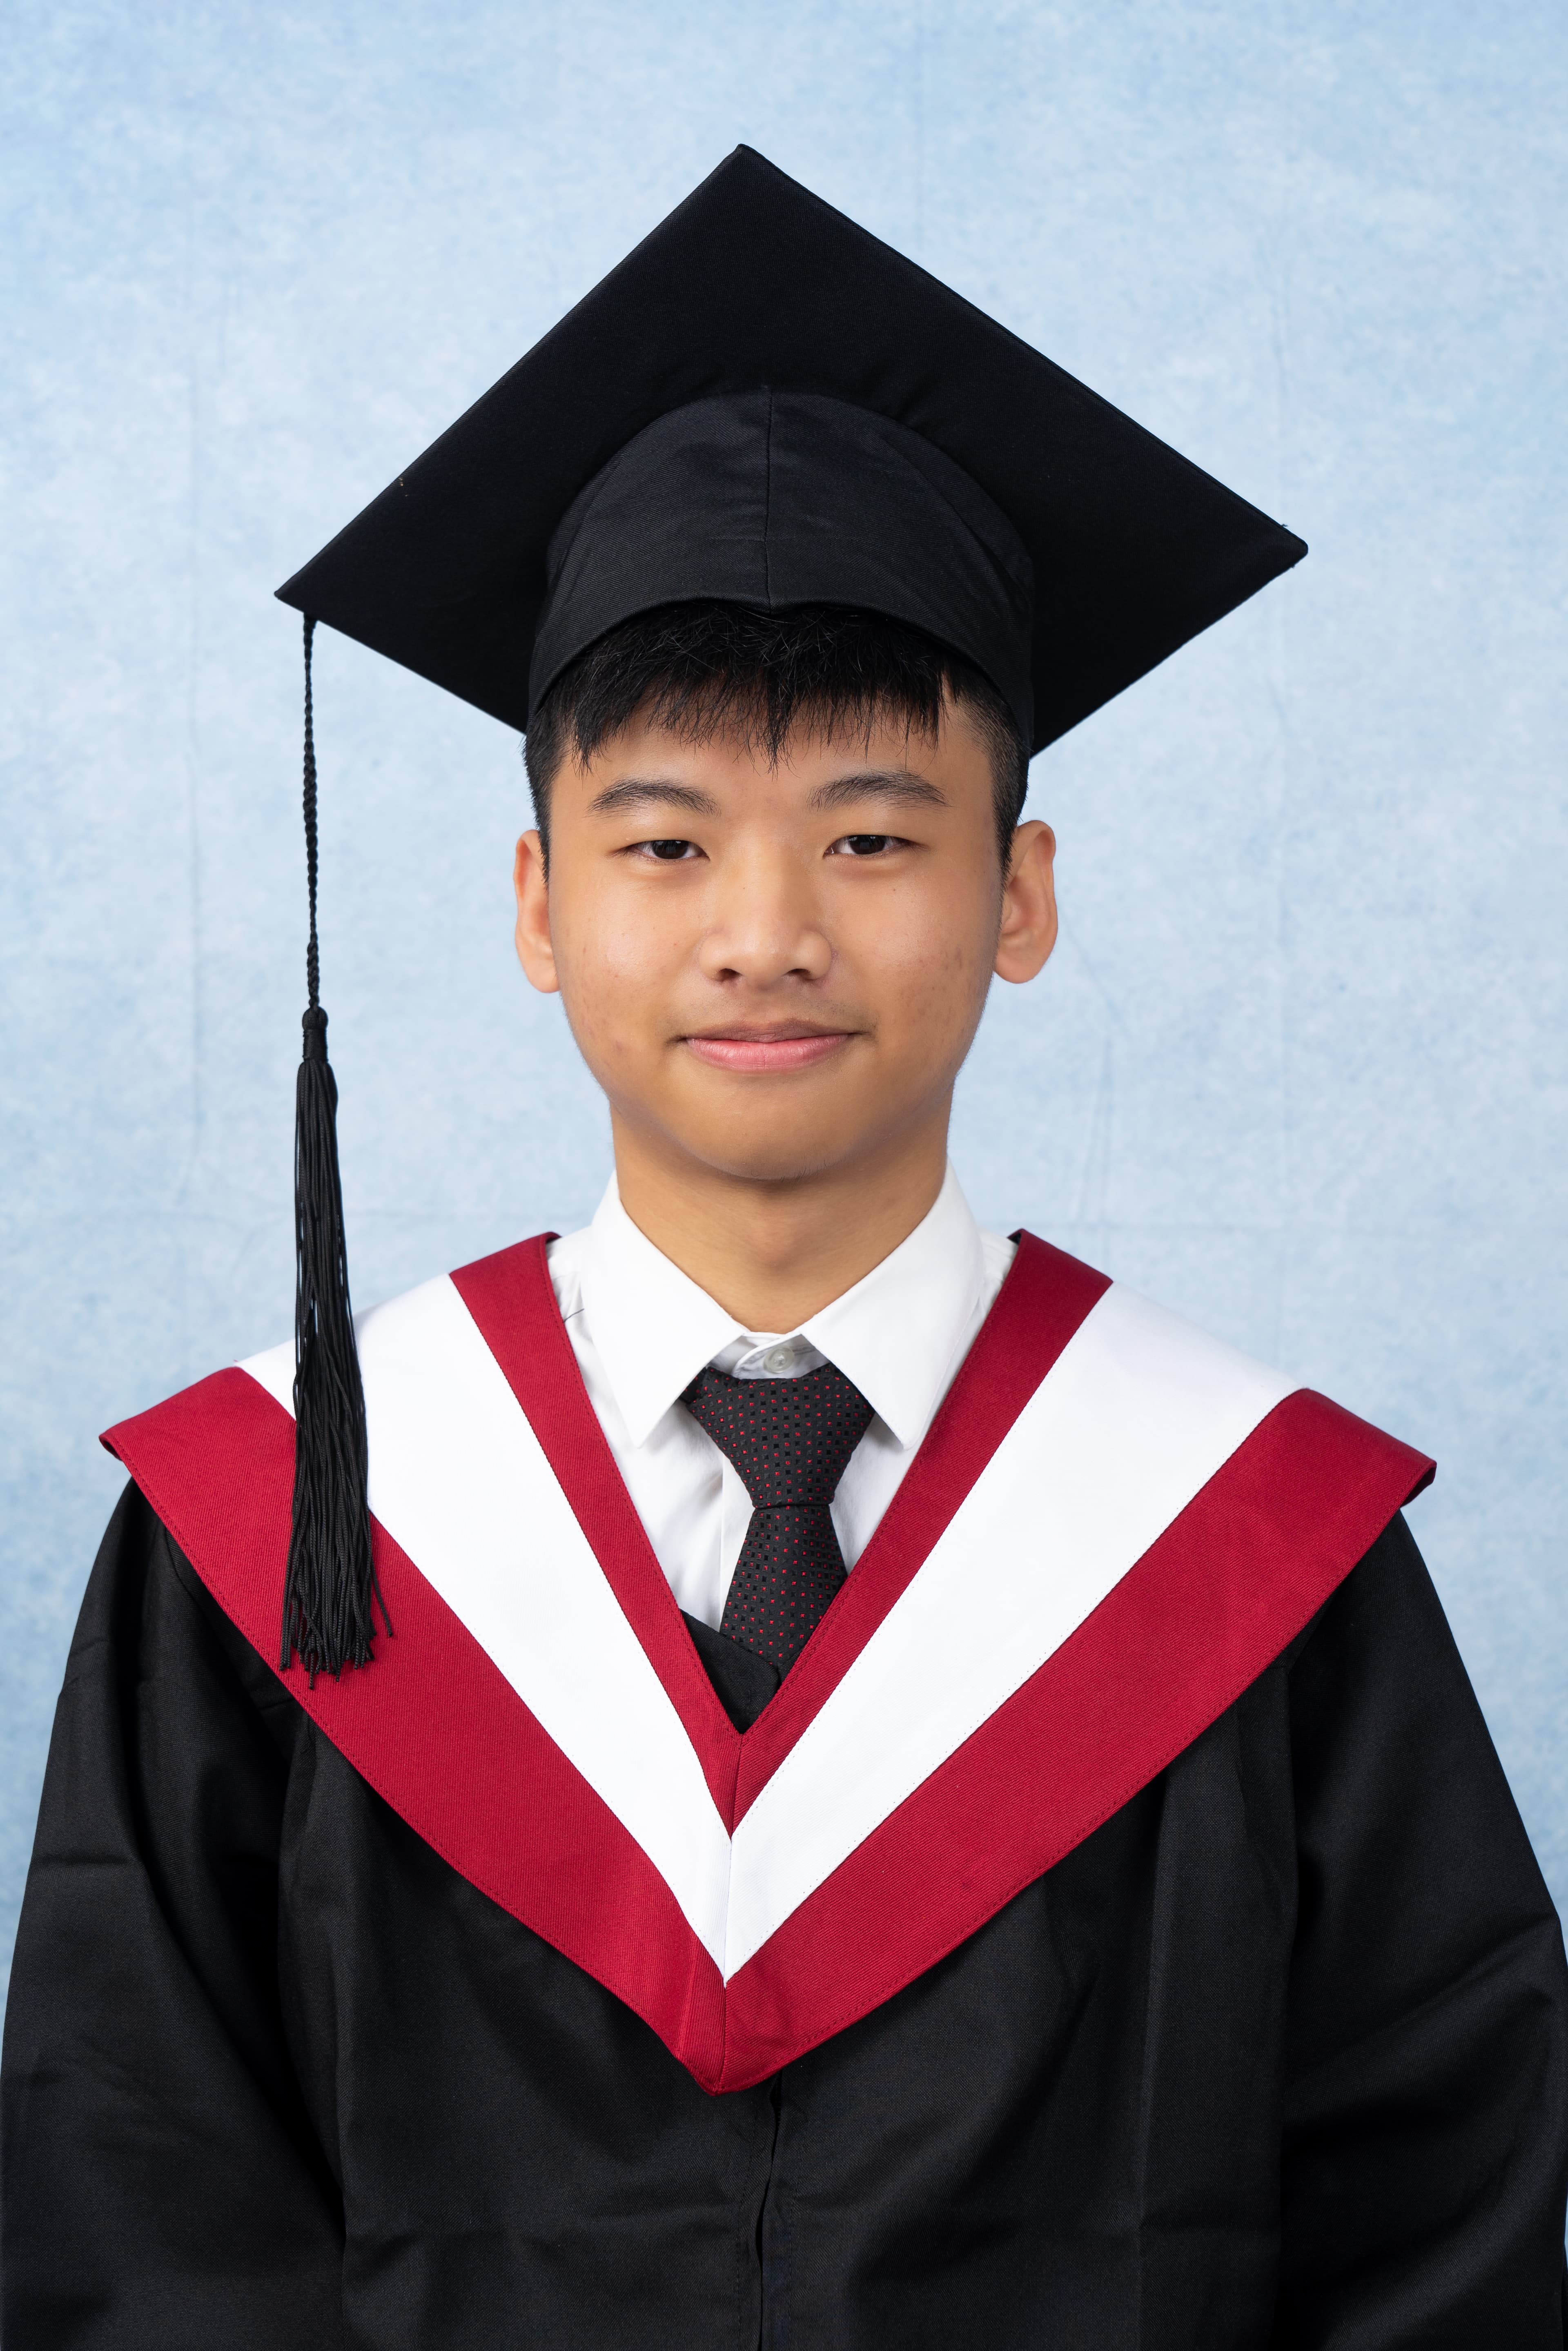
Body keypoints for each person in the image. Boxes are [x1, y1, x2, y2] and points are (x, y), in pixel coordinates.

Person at [4, 147, 1565, 2349]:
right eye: (664, 839)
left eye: (870, 833)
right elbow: (137, 2212)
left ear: (1020, 895)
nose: (766, 931)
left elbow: (1445, 2241)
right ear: (538, 906)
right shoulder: (289, 1534)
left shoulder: (1253, 1553)